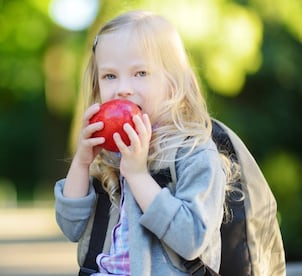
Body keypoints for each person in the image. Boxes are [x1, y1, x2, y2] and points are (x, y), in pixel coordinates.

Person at [54, 10, 235, 275]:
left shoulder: (193, 153)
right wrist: (82, 163)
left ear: (173, 83)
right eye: (110, 76)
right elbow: (71, 227)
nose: (123, 88)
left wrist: (138, 175)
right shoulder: (109, 154)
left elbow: (192, 239)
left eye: (140, 73)